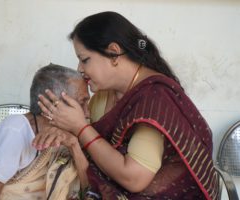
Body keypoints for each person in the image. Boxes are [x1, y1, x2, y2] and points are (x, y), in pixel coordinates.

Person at [36, 12, 219, 199]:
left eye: (84, 59)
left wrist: (80, 128)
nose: (79, 69)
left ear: (114, 53)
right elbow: (91, 152)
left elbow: (134, 179)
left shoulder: (154, 99)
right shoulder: (104, 94)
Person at [0, 63, 90, 200]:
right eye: (82, 103)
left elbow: (90, 190)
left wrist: (73, 144)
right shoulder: (17, 130)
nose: (87, 113)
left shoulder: (67, 135)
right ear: (53, 104)